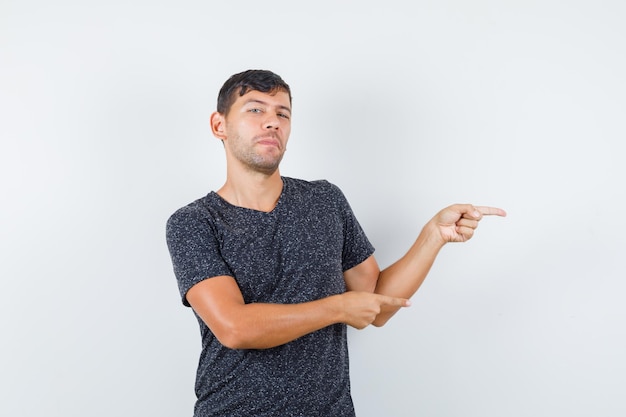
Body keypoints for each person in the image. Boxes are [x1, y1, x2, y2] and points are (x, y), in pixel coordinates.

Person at [166, 69, 506, 416]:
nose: (272, 122)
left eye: (282, 113)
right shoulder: (194, 222)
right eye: (255, 110)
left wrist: (432, 236)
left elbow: (376, 304)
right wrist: (339, 308)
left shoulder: (325, 201)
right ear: (218, 125)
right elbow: (234, 327)